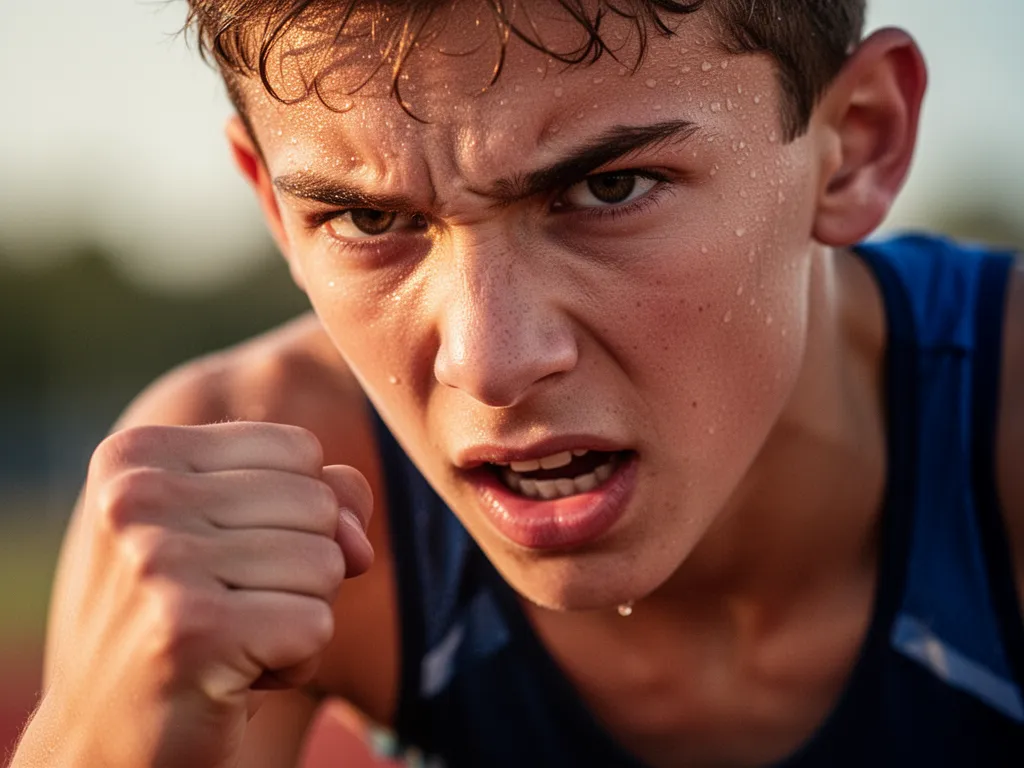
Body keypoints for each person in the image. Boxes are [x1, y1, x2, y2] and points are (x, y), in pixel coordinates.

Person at [10, 1, 1024, 766]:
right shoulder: (263, 482)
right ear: (276, 211)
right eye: (368, 221)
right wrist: (103, 745)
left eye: (609, 188)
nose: (488, 363)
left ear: (856, 145)